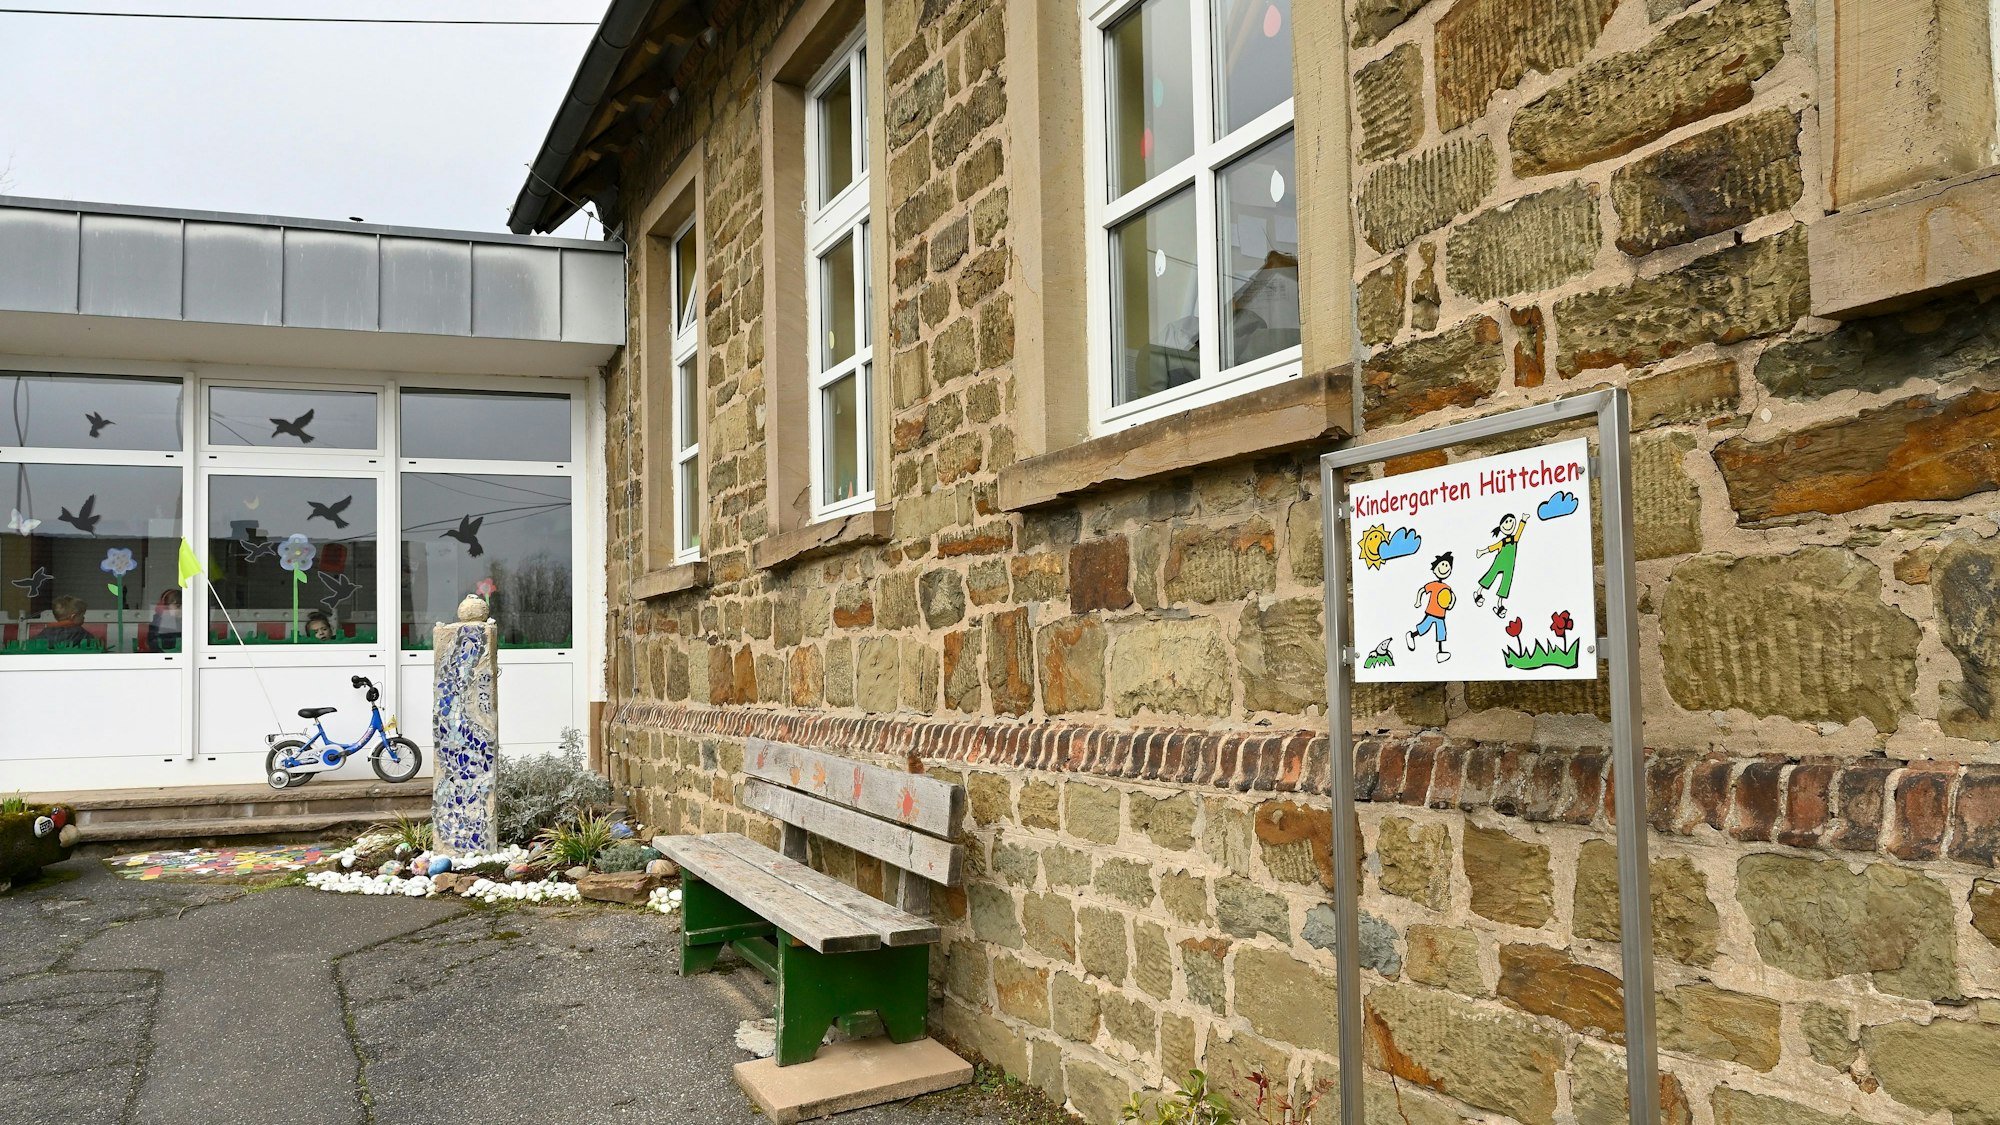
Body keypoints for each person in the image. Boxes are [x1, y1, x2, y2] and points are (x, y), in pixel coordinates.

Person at [1474, 512, 1529, 616]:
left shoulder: (1514, 539)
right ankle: (1478, 592)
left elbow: (1519, 532)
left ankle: (1499, 604)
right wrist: (1481, 552)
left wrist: (1523, 520)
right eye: (1507, 522)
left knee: (1506, 584)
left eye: (1511, 521)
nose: (1509, 524)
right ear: (1501, 526)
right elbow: (1492, 548)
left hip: (1509, 566)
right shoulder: (1502, 542)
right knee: (1490, 576)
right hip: (1499, 562)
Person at [1405, 553, 1455, 663]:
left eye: (1447, 566)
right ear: (1435, 569)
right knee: (1424, 628)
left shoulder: (1447, 587)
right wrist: (1418, 601)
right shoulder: (1434, 585)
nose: (1445, 568)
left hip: (1441, 615)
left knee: (1441, 632)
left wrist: (1451, 605)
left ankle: (1441, 652)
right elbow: (1422, 590)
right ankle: (1412, 635)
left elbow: (1453, 597)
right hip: (1431, 612)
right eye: (1442, 565)